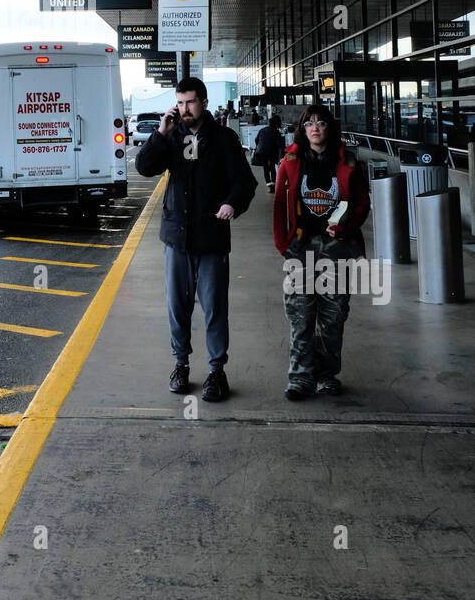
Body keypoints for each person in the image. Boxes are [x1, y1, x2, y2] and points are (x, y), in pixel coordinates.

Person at [136, 76, 258, 402]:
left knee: (214, 308)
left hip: (212, 238)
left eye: (190, 102)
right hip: (176, 238)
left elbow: (245, 182)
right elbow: (144, 167)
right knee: (178, 307)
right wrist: (160, 132)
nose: (184, 108)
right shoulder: (172, 137)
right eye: (180, 102)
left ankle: (217, 372)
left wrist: (232, 202)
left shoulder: (224, 139)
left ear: (203, 102)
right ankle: (181, 365)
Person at [272, 104, 370, 401]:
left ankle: (326, 375)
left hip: (336, 250)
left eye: (321, 122)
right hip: (300, 248)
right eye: (309, 123)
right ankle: (300, 377)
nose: (315, 127)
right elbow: (278, 204)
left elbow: (362, 204)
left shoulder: (348, 162)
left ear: (330, 127)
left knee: (333, 316)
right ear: (303, 129)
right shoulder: (290, 161)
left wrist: (343, 229)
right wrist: (282, 243)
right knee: (300, 317)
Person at [253, 113, 285, 192]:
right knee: (272, 167)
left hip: (262, 151)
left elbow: (256, 139)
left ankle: (268, 184)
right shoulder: (275, 132)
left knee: (265, 168)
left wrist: (259, 146)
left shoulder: (262, 130)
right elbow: (279, 143)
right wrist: (285, 150)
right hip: (272, 151)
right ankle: (273, 183)